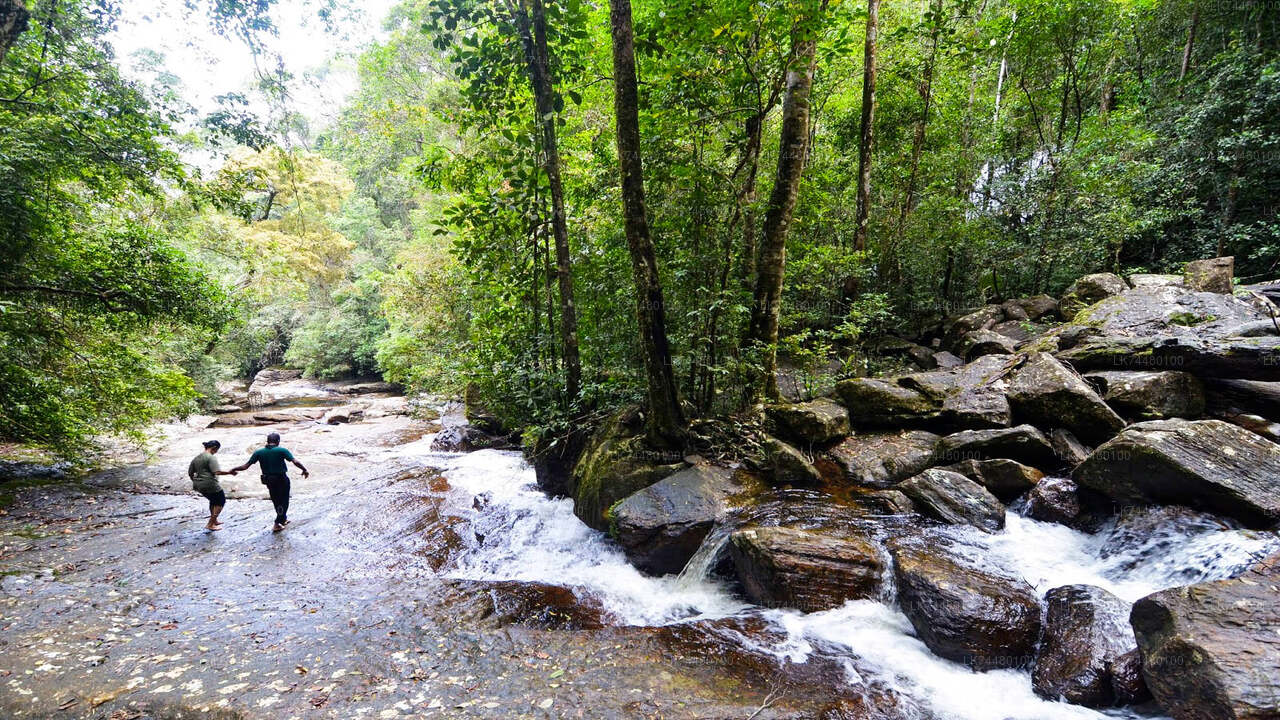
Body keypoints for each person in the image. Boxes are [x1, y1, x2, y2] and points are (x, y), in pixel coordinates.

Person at [230, 432, 309, 532]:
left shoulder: (259, 452)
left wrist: (234, 469)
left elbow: (245, 466)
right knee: (284, 501)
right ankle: (277, 523)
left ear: (267, 441)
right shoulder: (282, 450)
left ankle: (283, 519)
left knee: (276, 500)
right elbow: (295, 462)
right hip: (281, 478)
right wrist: (304, 470)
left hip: (268, 480)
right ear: (278, 441)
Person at [188, 440, 237, 531]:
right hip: (210, 483)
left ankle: (214, 520)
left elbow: (190, 473)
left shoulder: (197, 458)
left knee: (213, 500)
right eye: (217, 450)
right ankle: (210, 523)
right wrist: (230, 472)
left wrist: (196, 482)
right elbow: (217, 472)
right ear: (214, 448)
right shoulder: (210, 457)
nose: (217, 452)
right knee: (221, 501)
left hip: (198, 484)